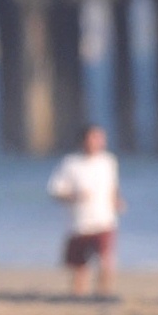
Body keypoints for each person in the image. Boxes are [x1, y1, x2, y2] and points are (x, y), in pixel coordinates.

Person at [47, 123, 123, 297]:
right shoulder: (70, 163)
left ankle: (104, 295)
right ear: (83, 140)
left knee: (106, 260)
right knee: (79, 266)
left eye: (100, 138)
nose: (98, 142)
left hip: (104, 220)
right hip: (78, 223)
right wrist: (75, 196)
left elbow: (112, 186)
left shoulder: (108, 161)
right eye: (94, 138)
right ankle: (78, 297)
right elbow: (55, 191)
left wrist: (116, 200)